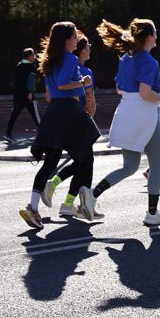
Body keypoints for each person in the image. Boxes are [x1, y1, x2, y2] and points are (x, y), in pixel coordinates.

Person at [83, 18, 160, 227]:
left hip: (126, 112)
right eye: (156, 33)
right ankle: (152, 213)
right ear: (150, 36)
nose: (157, 37)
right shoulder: (149, 61)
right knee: (157, 162)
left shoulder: (126, 58)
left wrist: (154, 88)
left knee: (130, 166)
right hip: (145, 115)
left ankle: (92, 194)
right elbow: (144, 93)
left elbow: (121, 89)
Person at [20, 22, 98, 229]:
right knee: (86, 158)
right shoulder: (71, 59)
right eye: (74, 36)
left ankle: (33, 207)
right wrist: (83, 83)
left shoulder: (50, 60)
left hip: (54, 113)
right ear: (66, 40)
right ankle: (81, 203)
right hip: (69, 113)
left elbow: (51, 90)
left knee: (50, 162)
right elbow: (64, 84)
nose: (76, 40)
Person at [42, 36, 103, 218]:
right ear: (81, 50)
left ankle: (64, 198)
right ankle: (78, 203)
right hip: (79, 118)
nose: (90, 49)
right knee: (87, 163)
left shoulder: (57, 66)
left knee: (81, 162)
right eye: (88, 46)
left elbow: (49, 96)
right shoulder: (85, 73)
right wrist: (89, 117)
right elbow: (90, 100)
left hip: (64, 118)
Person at [5, 48, 40, 142]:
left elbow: (17, 81)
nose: (34, 57)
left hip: (18, 95)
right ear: (29, 56)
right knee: (36, 115)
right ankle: (44, 134)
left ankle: (7, 134)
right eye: (33, 55)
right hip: (27, 96)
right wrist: (30, 92)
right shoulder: (31, 66)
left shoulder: (19, 65)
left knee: (14, 115)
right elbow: (32, 80)